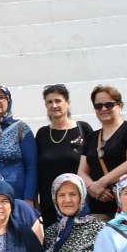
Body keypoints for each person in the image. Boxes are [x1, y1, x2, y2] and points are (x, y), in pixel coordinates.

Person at [80, 85, 127, 219]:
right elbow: (82, 171)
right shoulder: (92, 137)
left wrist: (101, 183)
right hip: (98, 208)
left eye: (109, 105)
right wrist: (94, 188)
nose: (103, 109)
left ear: (120, 106)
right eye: (98, 106)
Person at [35, 85, 93, 227]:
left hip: (79, 203)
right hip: (50, 205)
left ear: (68, 103)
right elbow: (36, 169)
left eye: (58, 101)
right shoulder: (42, 134)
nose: (54, 105)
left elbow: (93, 163)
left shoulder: (82, 129)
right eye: (49, 102)